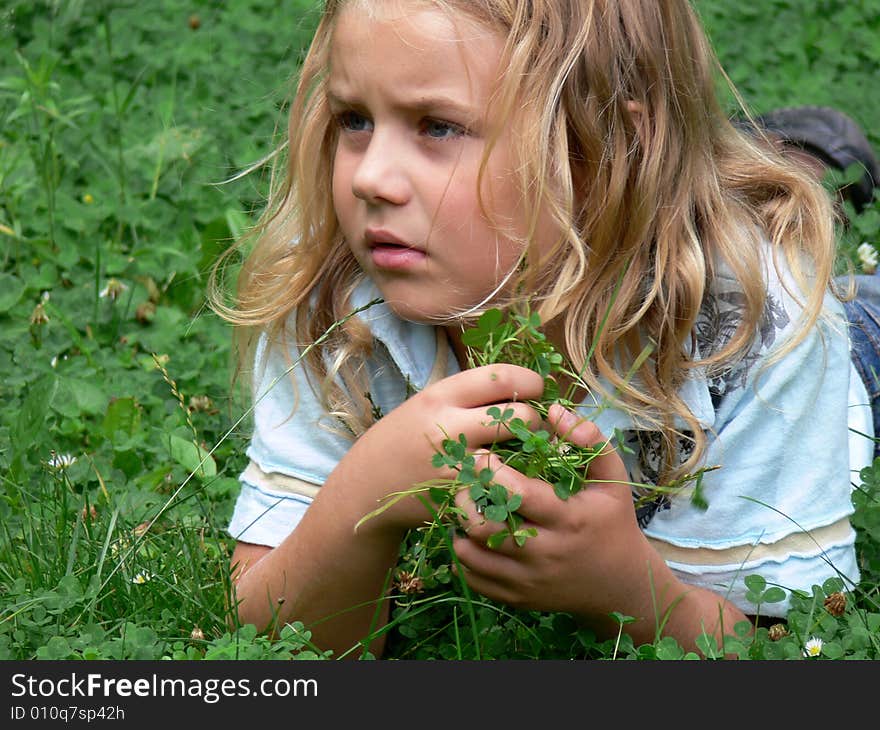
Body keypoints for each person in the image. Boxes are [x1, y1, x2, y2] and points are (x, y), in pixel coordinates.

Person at [210, 0, 875, 658]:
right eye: (354, 119)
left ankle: (795, 170)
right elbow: (272, 639)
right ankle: (786, 151)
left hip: (836, 344)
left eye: (437, 127)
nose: (371, 179)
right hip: (636, 205)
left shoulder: (761, 324)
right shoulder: (336, 287)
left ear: (612, 146)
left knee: (822, 273)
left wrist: (630, 592)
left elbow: (787, 642)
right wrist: (365, 493)